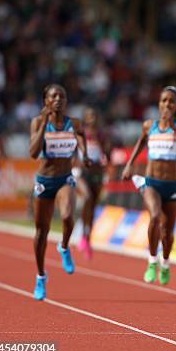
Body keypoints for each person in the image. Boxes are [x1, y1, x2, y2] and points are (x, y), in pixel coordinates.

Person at [121, 86, 176, 285]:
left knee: (167, 232)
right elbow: (140, 142)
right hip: (152, 181)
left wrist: (174, 128)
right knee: (154, 216)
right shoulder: (149, 125)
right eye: (164, 100)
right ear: (159, 103)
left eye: (171, 101)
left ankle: (165, 262)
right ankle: (152, 260)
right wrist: (130, 165)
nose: (167, 104)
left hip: (172, 185)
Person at [29, 84, 90, 301]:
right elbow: (33, 153)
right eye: (53, 96)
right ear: (45, 101)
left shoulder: (73, 123)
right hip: (45, 181)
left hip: (65, 178)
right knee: (41, 232)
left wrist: (85, 153)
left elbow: (82, 134)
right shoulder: (37, 122)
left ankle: (64, 247)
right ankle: (41, 276)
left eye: (62, 96)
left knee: (67, 217)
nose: (58, 99)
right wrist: (44, 123)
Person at [74, 108, 112, 259]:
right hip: (82, 173)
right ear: (85, 118)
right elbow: (73, 152)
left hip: (97, 173)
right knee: (87, 198)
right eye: (89, 117)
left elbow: (107, 155)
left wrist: (102, 144)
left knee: (93, 205)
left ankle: (87, 236)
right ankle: (84, 233)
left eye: (94, 116)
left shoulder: (102, 135)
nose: (92, 119)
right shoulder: (79, 133)